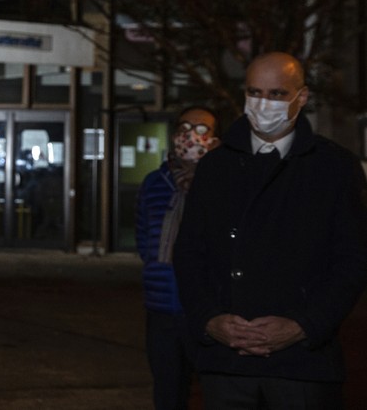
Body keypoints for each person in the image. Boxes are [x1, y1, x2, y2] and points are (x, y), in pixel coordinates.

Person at [173, 52, 367, 408]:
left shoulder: (334, 167)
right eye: (255, 92)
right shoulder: (216, 166)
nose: (264, 104)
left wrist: (304, 325)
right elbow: (188, 253)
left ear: (301, 97)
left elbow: (352, 262)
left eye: (277, 94)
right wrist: (209, 319)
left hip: (303, 366)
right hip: (226, 362)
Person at [136, 106, 219, 410]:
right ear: (173, 136)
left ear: (214, 139)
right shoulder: (153, 183)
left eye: (202, 129)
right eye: (185, 128)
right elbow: (145, 238)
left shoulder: (224, 183)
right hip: (161, 311)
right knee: (168, 392)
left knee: (216, 391)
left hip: (208, 312)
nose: (191, 136)